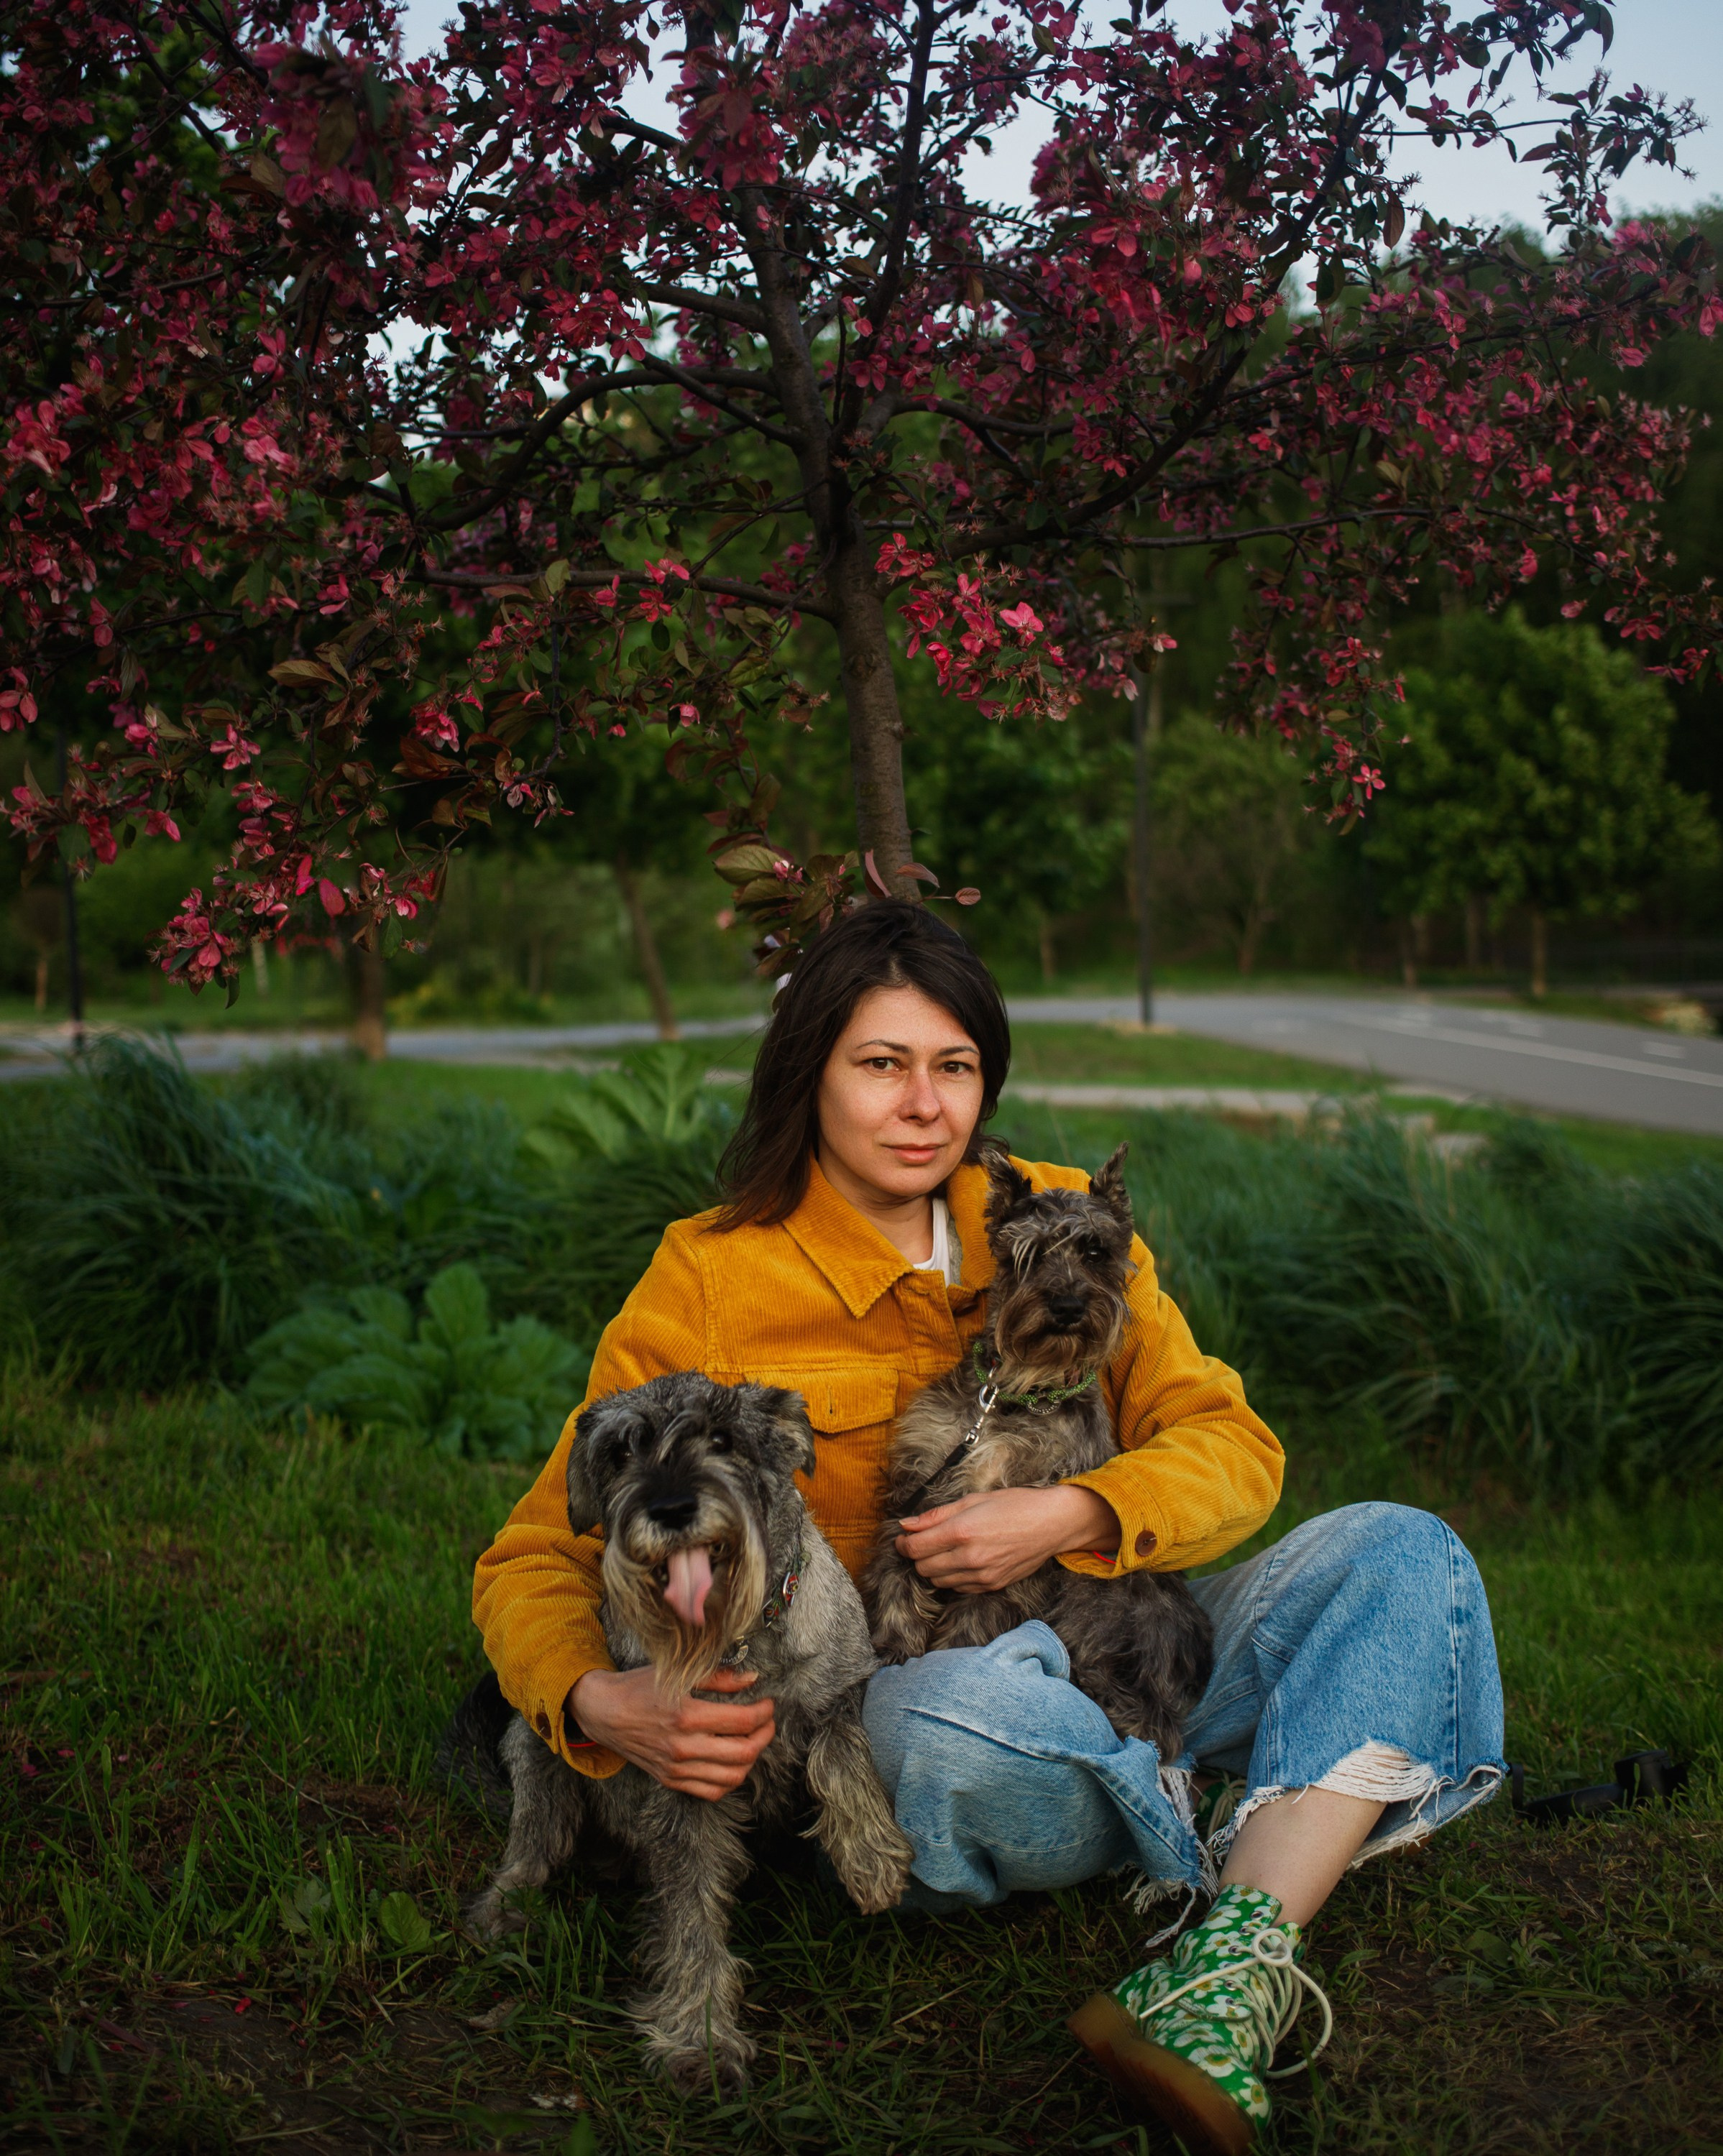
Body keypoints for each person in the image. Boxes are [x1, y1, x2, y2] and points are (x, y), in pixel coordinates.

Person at [472, 901, 1505, 2155]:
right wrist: (597, 1703)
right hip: (911, 1702)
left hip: (1128, 1645)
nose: (924, 1106)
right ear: (808, 1075)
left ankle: (1226, 1951)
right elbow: (540, 1551)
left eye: (954, 1067)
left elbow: (1234, 1448)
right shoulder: (711, 1276)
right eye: (881, 1064)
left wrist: (1076, 1508)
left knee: (1405, 1552)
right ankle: (1245, 1819)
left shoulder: (1063, 1219)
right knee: (954, 1734)